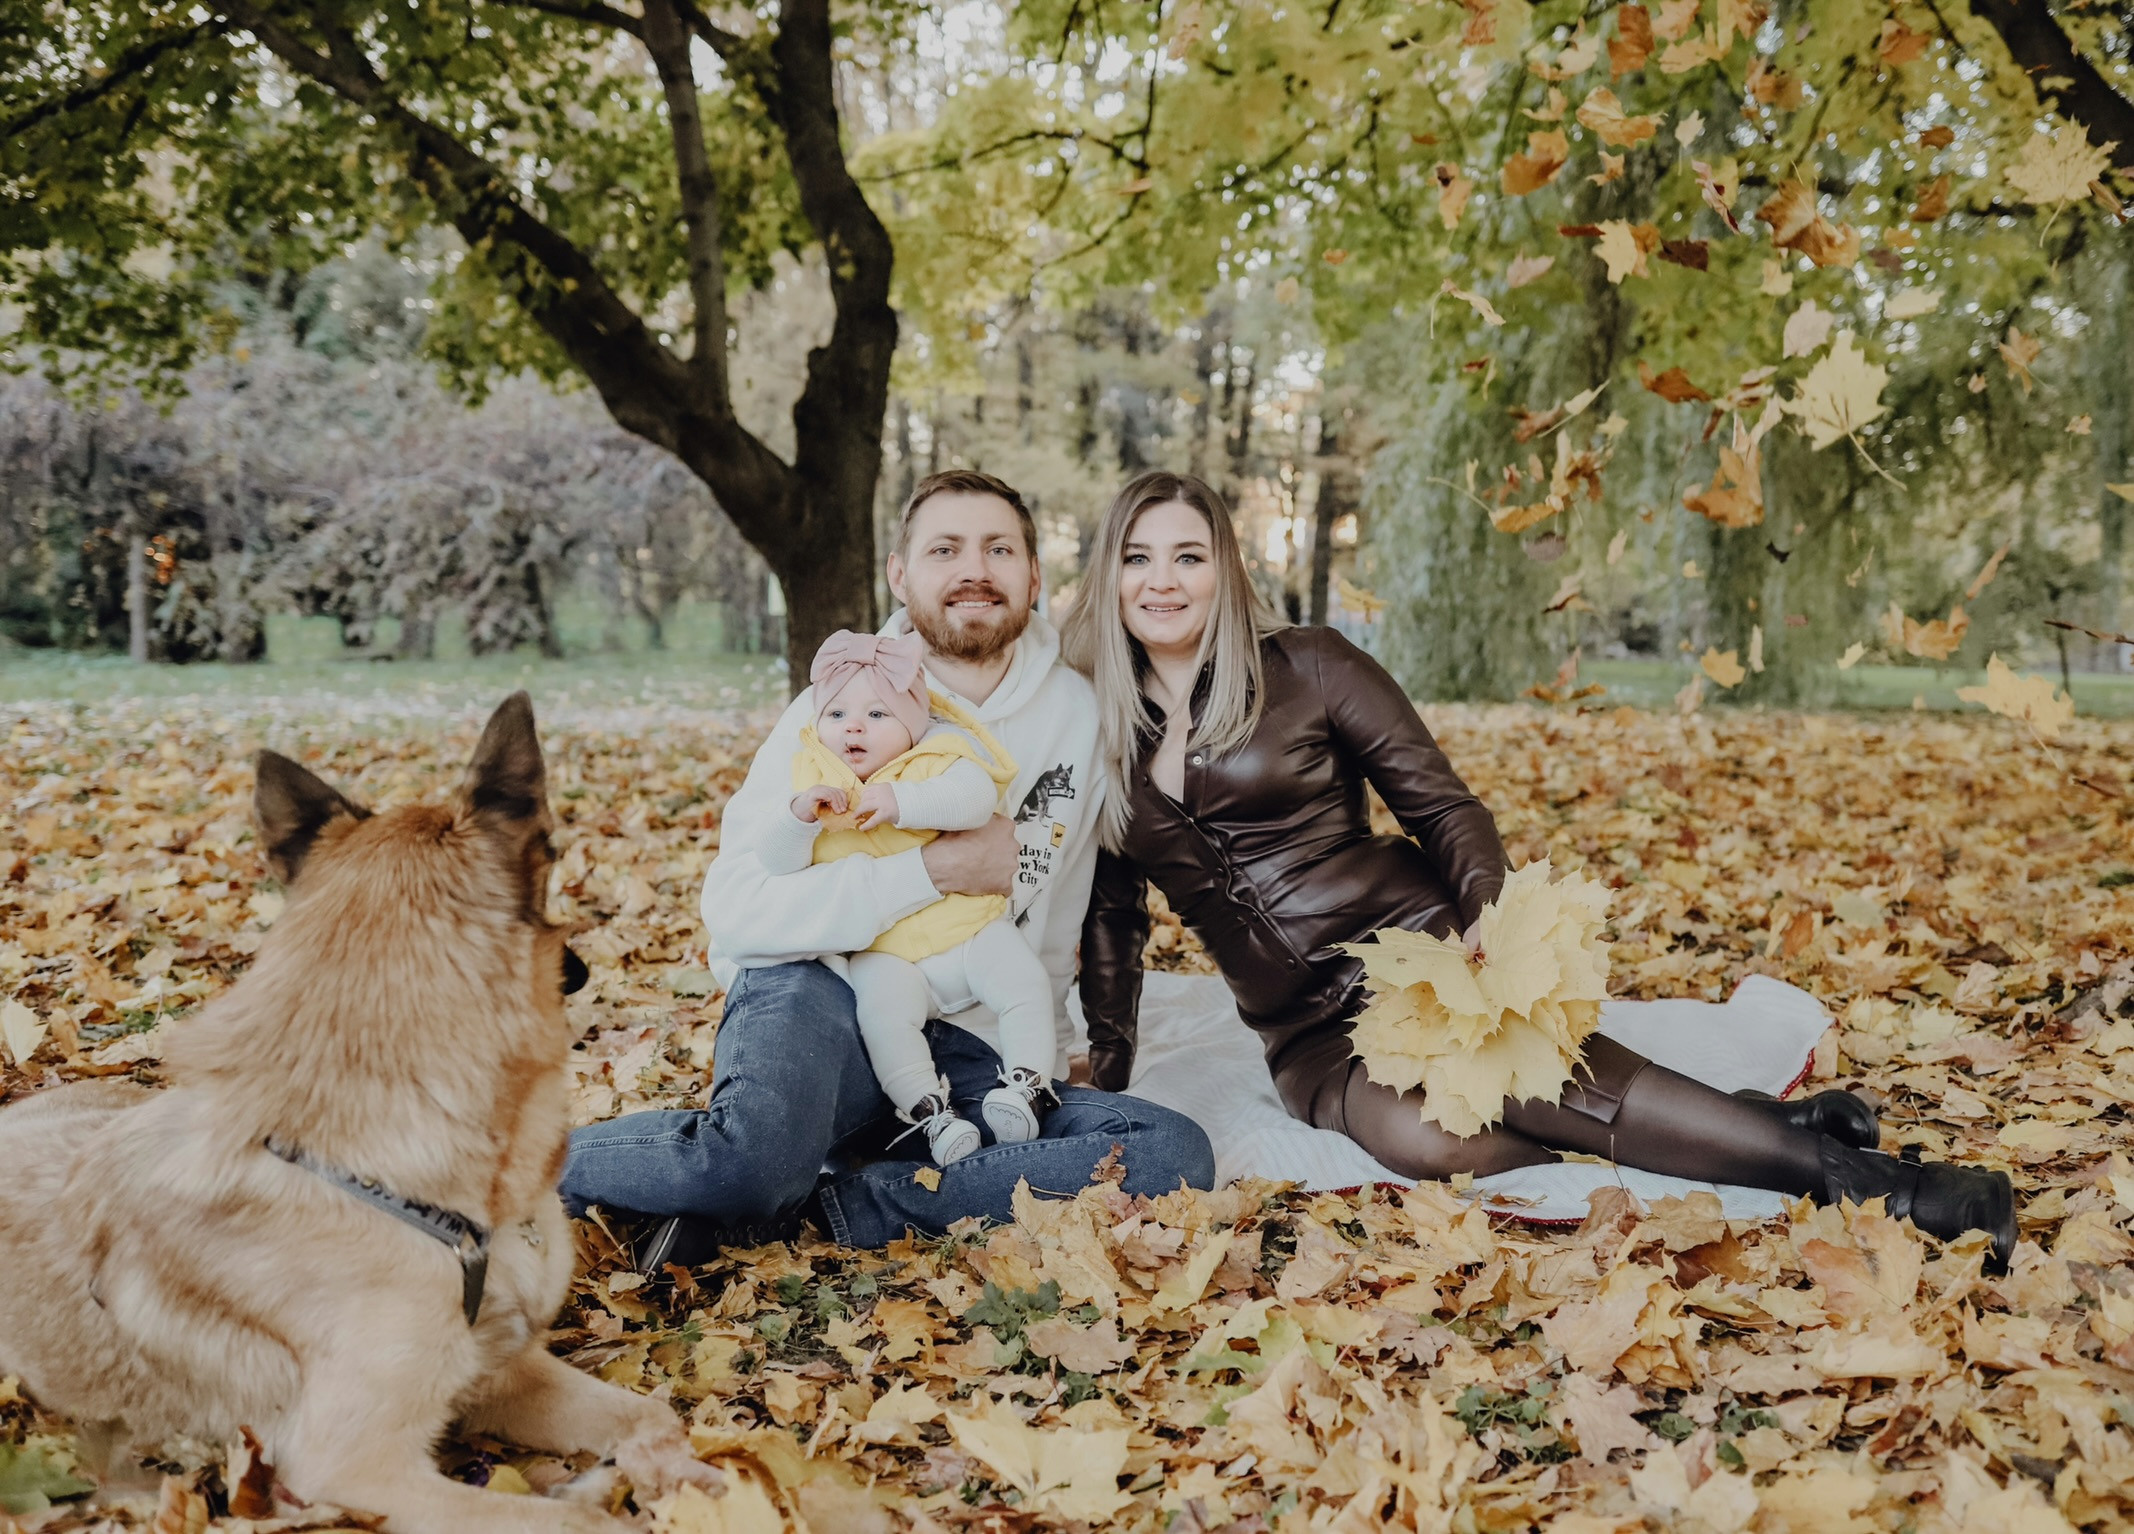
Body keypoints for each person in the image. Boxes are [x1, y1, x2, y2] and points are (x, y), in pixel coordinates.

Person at [1062, 470, 2016, 1264]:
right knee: (1427, 1138)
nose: (1163, 581)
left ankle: (1892, 1187)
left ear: (1224, 569)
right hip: (1302, 1033)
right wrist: (1104, 1072)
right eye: (1138, 559)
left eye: (1188, 555)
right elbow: (1113, 920)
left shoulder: (1308, 664)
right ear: (1109, 578)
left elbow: (1441, 804)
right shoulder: (1094, 729)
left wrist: (1485, 915)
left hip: (1421, 953)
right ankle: (1735, 1120)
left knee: (1515, 1082)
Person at [561, 470, 1215, 1266]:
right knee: (747, 1160)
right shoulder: (836, 713)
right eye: (946, 549)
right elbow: (736, 913)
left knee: (1166, 1152)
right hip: (821, 997)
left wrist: (1058, 1049)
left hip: (969, 1044)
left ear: (1035, 576)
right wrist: (930, 872)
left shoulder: (1080, 714)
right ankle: (518, 1165)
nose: (974, 568)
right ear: (900, 575)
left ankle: (830, 1205)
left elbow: (1084, 899)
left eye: (999, 548)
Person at [776, 627, 1057, 1161]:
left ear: (912, 724)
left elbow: (973, 800)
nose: (853, 726)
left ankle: (1026, 1085)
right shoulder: (811, 778)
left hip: (967, 926)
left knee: (1024, 981)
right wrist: (797, 818)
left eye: (878, 715)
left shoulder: (934, 757)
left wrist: (903, 801)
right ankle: (930, 1114)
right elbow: (777, 863)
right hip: (888, 951)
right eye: (836, 715)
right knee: (882, 1020)